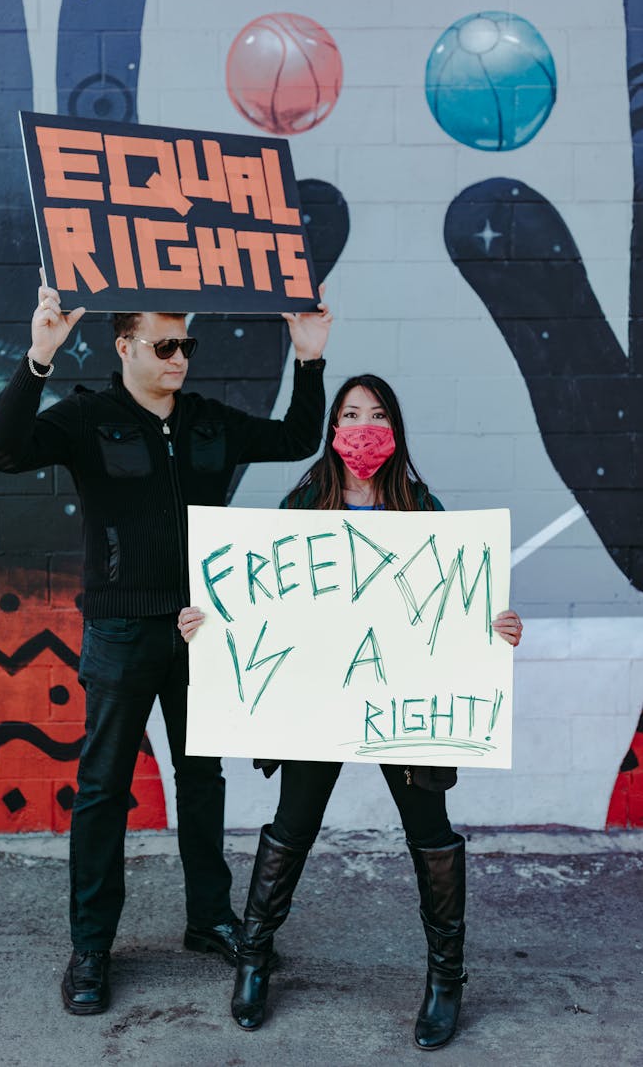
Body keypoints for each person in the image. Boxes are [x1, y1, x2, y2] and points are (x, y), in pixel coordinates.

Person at [0, 270, 332, 1015]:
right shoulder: (87, 418)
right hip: (119, 630)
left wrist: (310, 356)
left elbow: (300, 437)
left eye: (187, 343)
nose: (179, 357)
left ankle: (208, 918)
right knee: (105, 789)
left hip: (199, 632)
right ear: (125, 345)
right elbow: (2, 450)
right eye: (164, 344)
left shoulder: (206, 419)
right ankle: (91, 947)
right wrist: (38, 356)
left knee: (202, 782)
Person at [178, 373, 522, 1050]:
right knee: (293, 822)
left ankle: (446, 978)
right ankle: (254, 959)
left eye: (376, 414)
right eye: (350, 413)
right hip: (320, 697)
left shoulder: (424, 510)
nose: (362, 426)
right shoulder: (302, 504)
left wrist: (497, 625)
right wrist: (208, 622)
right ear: (333, 430)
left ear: (395, 430)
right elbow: (254, 593)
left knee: (430, 829)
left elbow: (461, 601)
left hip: (404, 698)